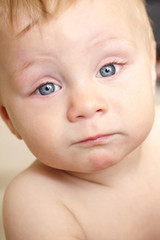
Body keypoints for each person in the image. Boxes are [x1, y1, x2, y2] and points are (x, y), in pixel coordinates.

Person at [0, 0, 160, 239]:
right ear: (9, 118)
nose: (86, 105)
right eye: (46, 88)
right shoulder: (36, 204)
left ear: (152, 67)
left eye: (109, 69)